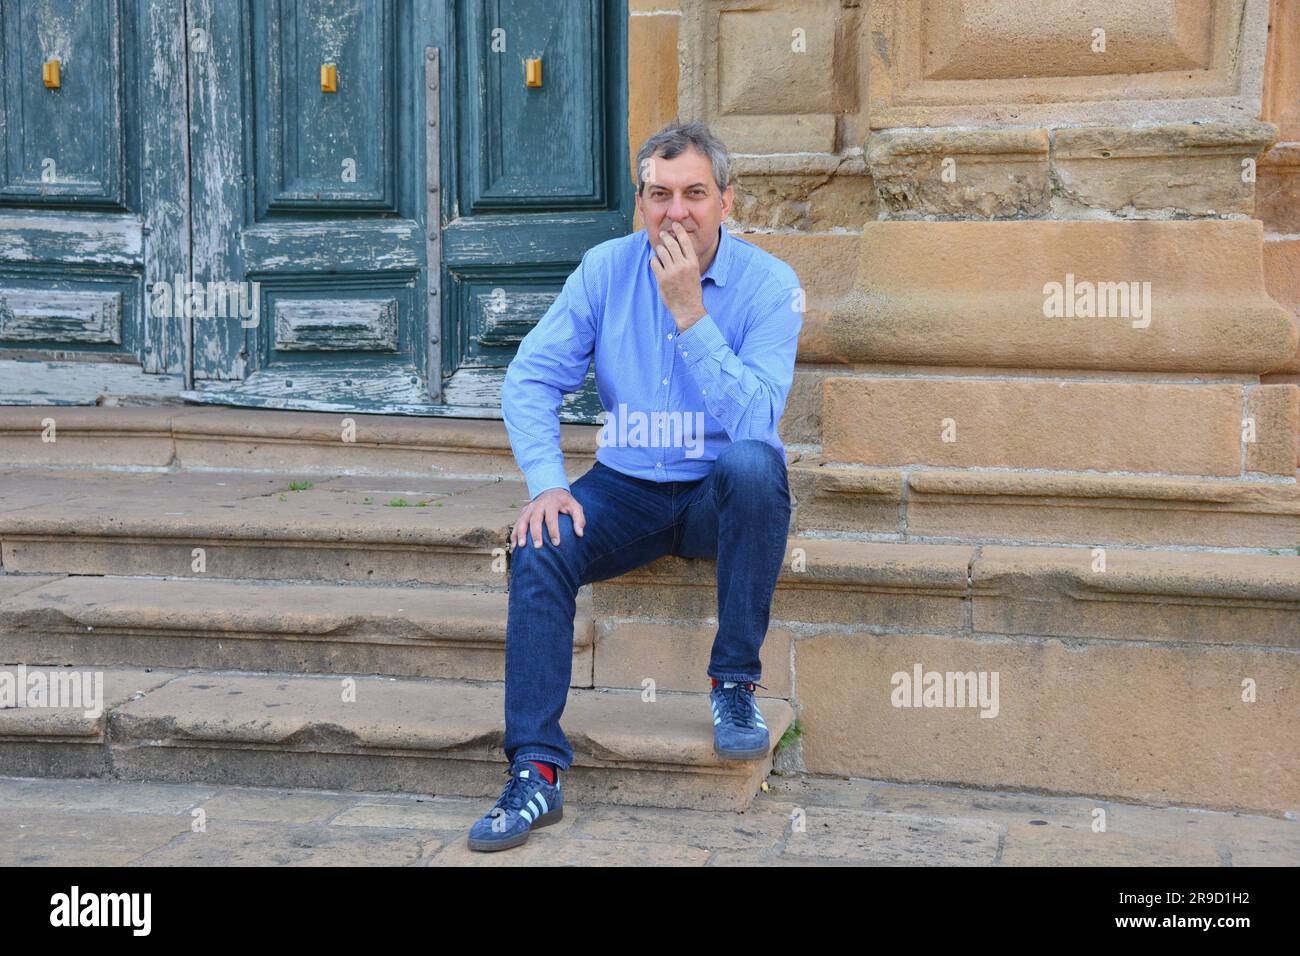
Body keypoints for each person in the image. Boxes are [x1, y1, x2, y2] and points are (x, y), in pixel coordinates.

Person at [467, 120, 803, 852]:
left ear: (725, 201)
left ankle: (734, 686)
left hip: (722, 491)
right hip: (627, 487)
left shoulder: (770, 286)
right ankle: (536, 773)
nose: (675, 212)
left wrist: (690, 310)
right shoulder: (603, 269)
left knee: (755, 466)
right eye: (658, 194)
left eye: (694, 194)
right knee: (541, 541)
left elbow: (755, 418)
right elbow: (530, 378)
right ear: (639, 202)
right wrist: (548, 482)